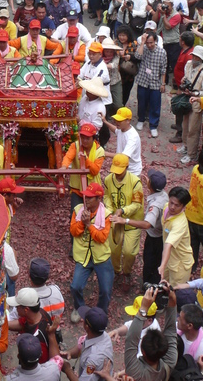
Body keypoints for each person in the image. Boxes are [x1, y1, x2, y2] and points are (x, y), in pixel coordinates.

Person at [70, 183, 113, 320]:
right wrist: (82, 222)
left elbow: (101, 238)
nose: (86, 200)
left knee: (105, 290)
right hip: (83, 256)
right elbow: (73, 231)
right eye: (85, 196)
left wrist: (89, 224)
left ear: (99, 199)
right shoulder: (78, 210)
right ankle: (79, 307)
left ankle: (101, 312)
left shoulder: (106, 215)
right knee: (75, 286)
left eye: (90, 197)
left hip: (101, 257)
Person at [123, 284, 178, 381]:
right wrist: (172, 299)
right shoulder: (169, 363)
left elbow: (131, 340)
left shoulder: (136, 372)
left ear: (143, 352)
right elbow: (171, 331)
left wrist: (143, 308)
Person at [103, 153, 144, 281]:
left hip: (132, 222)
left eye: (120, 171)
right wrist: (110, 210)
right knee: (113, 249)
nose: (117, 174)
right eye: (115, 171)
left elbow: (137, 204)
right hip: (115, 221)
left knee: (129, 252)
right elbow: (107, 196)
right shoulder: (108, 180)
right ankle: (116, 271)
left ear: (127, 167)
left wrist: (122, 211)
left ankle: (127, 272)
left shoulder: (136, 182)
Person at [61, 306, 114, 381]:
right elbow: (83, 345)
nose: (82, 320)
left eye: (84, 319)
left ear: (86, 327)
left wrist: (67, 370)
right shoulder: (102, 334)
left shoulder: (94, 359)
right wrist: (69, 353)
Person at [135, 31, 168, 137]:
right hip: (143, 80)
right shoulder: (143, 48)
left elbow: (163, 69)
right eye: (147, 42)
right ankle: (141, 119)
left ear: (155, 41)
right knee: (141, 102)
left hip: (155, 82)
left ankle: (153, 125)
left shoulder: (162, 52)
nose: (149, 45)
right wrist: (142, 43)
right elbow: (137, 56)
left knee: (155, 104)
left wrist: (163, 83)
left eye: (151, 42)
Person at [159, 186, 194, 287]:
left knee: (175, 291)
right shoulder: (166, 208)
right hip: (168, 259)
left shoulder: (179, 223)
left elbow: (168, 244)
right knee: (163, 286)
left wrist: (162, 266)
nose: (172, 207)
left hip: (180, 265)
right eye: (171, 203)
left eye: (177, 205)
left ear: (183, 206)